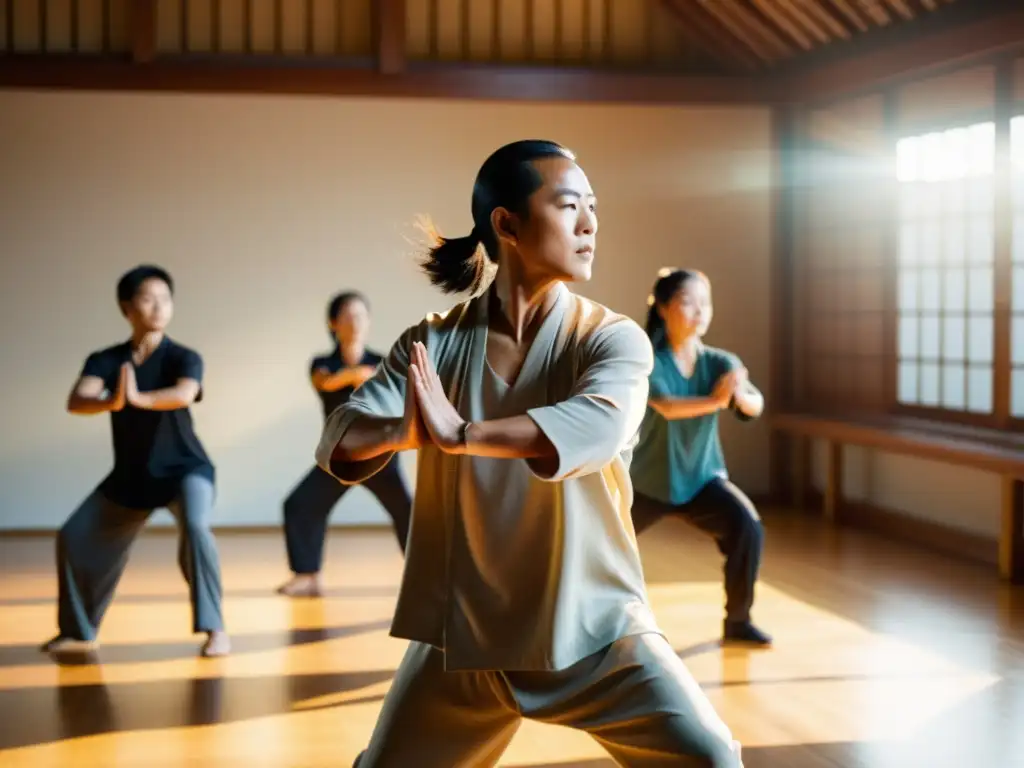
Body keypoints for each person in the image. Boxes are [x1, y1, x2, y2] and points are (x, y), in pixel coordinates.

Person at [316, 141, 743, 767]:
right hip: (462, 636)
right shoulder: (432, 342)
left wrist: (461, 434)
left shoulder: (610, 338)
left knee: (711, 759)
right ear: (507, 224)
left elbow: (596, 427)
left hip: (593, 627)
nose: (591, 224)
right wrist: (398, 432)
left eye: (593, 208)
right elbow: (340, 433)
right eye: (570, 206)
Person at [42, 265, 230, 658]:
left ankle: (215, 629)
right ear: (127, 307)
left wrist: (138, 399)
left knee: (196, 529)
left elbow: (184, 393)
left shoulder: (183, 357)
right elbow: (77, 400)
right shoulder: (107, 359)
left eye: (165, 298)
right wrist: (111, 400)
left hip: (186, 470)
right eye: (148, 298)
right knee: (74, 535)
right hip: (131, 477)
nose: (159, 306)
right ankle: (79, 631)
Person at [630, 268, 770, 647]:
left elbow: (754, 404)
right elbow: (668, 406)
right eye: (688, 302)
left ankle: (738, 621)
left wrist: (739, 395)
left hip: (702, 479)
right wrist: (716, 401)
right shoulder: (650, 361)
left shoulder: (721, 363)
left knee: (747, 528)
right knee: (601, 541)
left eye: (704, 303)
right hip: (648, 481)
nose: (699, 311)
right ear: (661, 307)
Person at [276, 292, 412, 598]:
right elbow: (325, 383)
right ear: (333, 323)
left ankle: (423, 576)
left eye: (361, 316)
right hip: (340, 455)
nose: (356, 323)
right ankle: (307, 575)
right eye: (348, 316)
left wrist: (365, 375)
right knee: (300, 504)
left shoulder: (384, 362)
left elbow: (399, 397)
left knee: (408, 513)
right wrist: (357, 375)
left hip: (380, 455)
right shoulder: (322, 364)